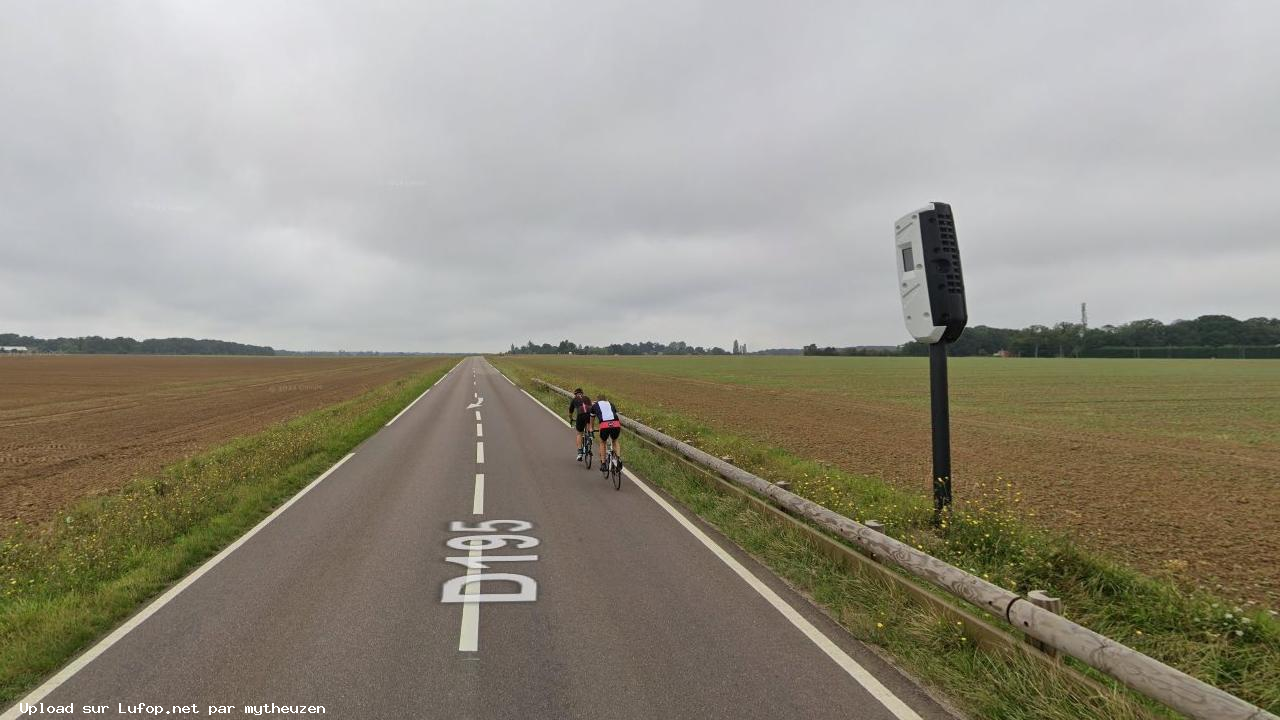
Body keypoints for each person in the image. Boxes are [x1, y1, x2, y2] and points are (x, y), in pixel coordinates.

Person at [591, 393, 622, 470]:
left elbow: (592, 418)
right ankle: (618, 458)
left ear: (597, 400)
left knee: (602, 442)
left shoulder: (595, 405)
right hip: (616, 424)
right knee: (615, 440)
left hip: (604, 425)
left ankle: (603, 464)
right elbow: (614, 413)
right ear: (606, 399)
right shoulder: (611, 404)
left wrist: (591, 428)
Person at [567, 388, 593, 460]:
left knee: (579, 433)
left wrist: (571, 418)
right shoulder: (587, 398)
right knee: (588, 424)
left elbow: (570, 412)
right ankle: (589, 436)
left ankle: (580, 453)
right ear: (582, 393)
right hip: (589, 413)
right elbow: (591, 408)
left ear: (575, 394)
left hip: (580, 414)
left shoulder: (574, 399)